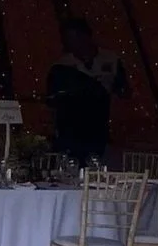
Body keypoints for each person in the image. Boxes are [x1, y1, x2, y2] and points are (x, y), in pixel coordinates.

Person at [44, 18, 128, 167]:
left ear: (87, 36)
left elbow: (123, 92)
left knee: (97, 171)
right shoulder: (61, 67)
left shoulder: (111, 60)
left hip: (100, 129)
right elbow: (51, 101)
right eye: (68, 39)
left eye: (76, 37)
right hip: (70, 131)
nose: (73, 43)